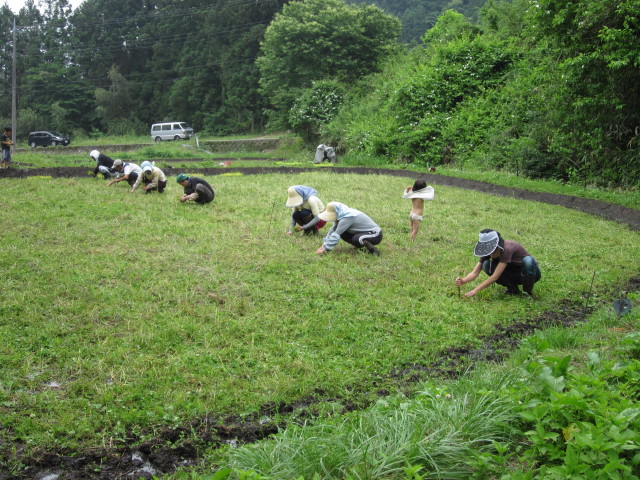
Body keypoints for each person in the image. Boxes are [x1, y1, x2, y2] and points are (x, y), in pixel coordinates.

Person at [456, 229, 541, 297]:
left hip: (527, 274)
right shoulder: (487, 252)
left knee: (528, 261)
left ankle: (527, 292)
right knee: (486, 264)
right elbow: (475, 272)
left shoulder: (507, 249)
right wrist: (464, 281)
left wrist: (475, 290)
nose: (490, 253)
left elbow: (495, 277)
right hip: (510, 273)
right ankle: (512, 289)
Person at [315, 202, 383, 256]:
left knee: (357, 239)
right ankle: (360, 246)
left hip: (375, 234)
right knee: (343, 233)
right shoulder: (341, 216)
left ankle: (373, 251)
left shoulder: (348, 217)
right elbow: (332, 230)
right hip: (363, 233)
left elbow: (336, 234)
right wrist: (324, 244)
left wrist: (325, 249)